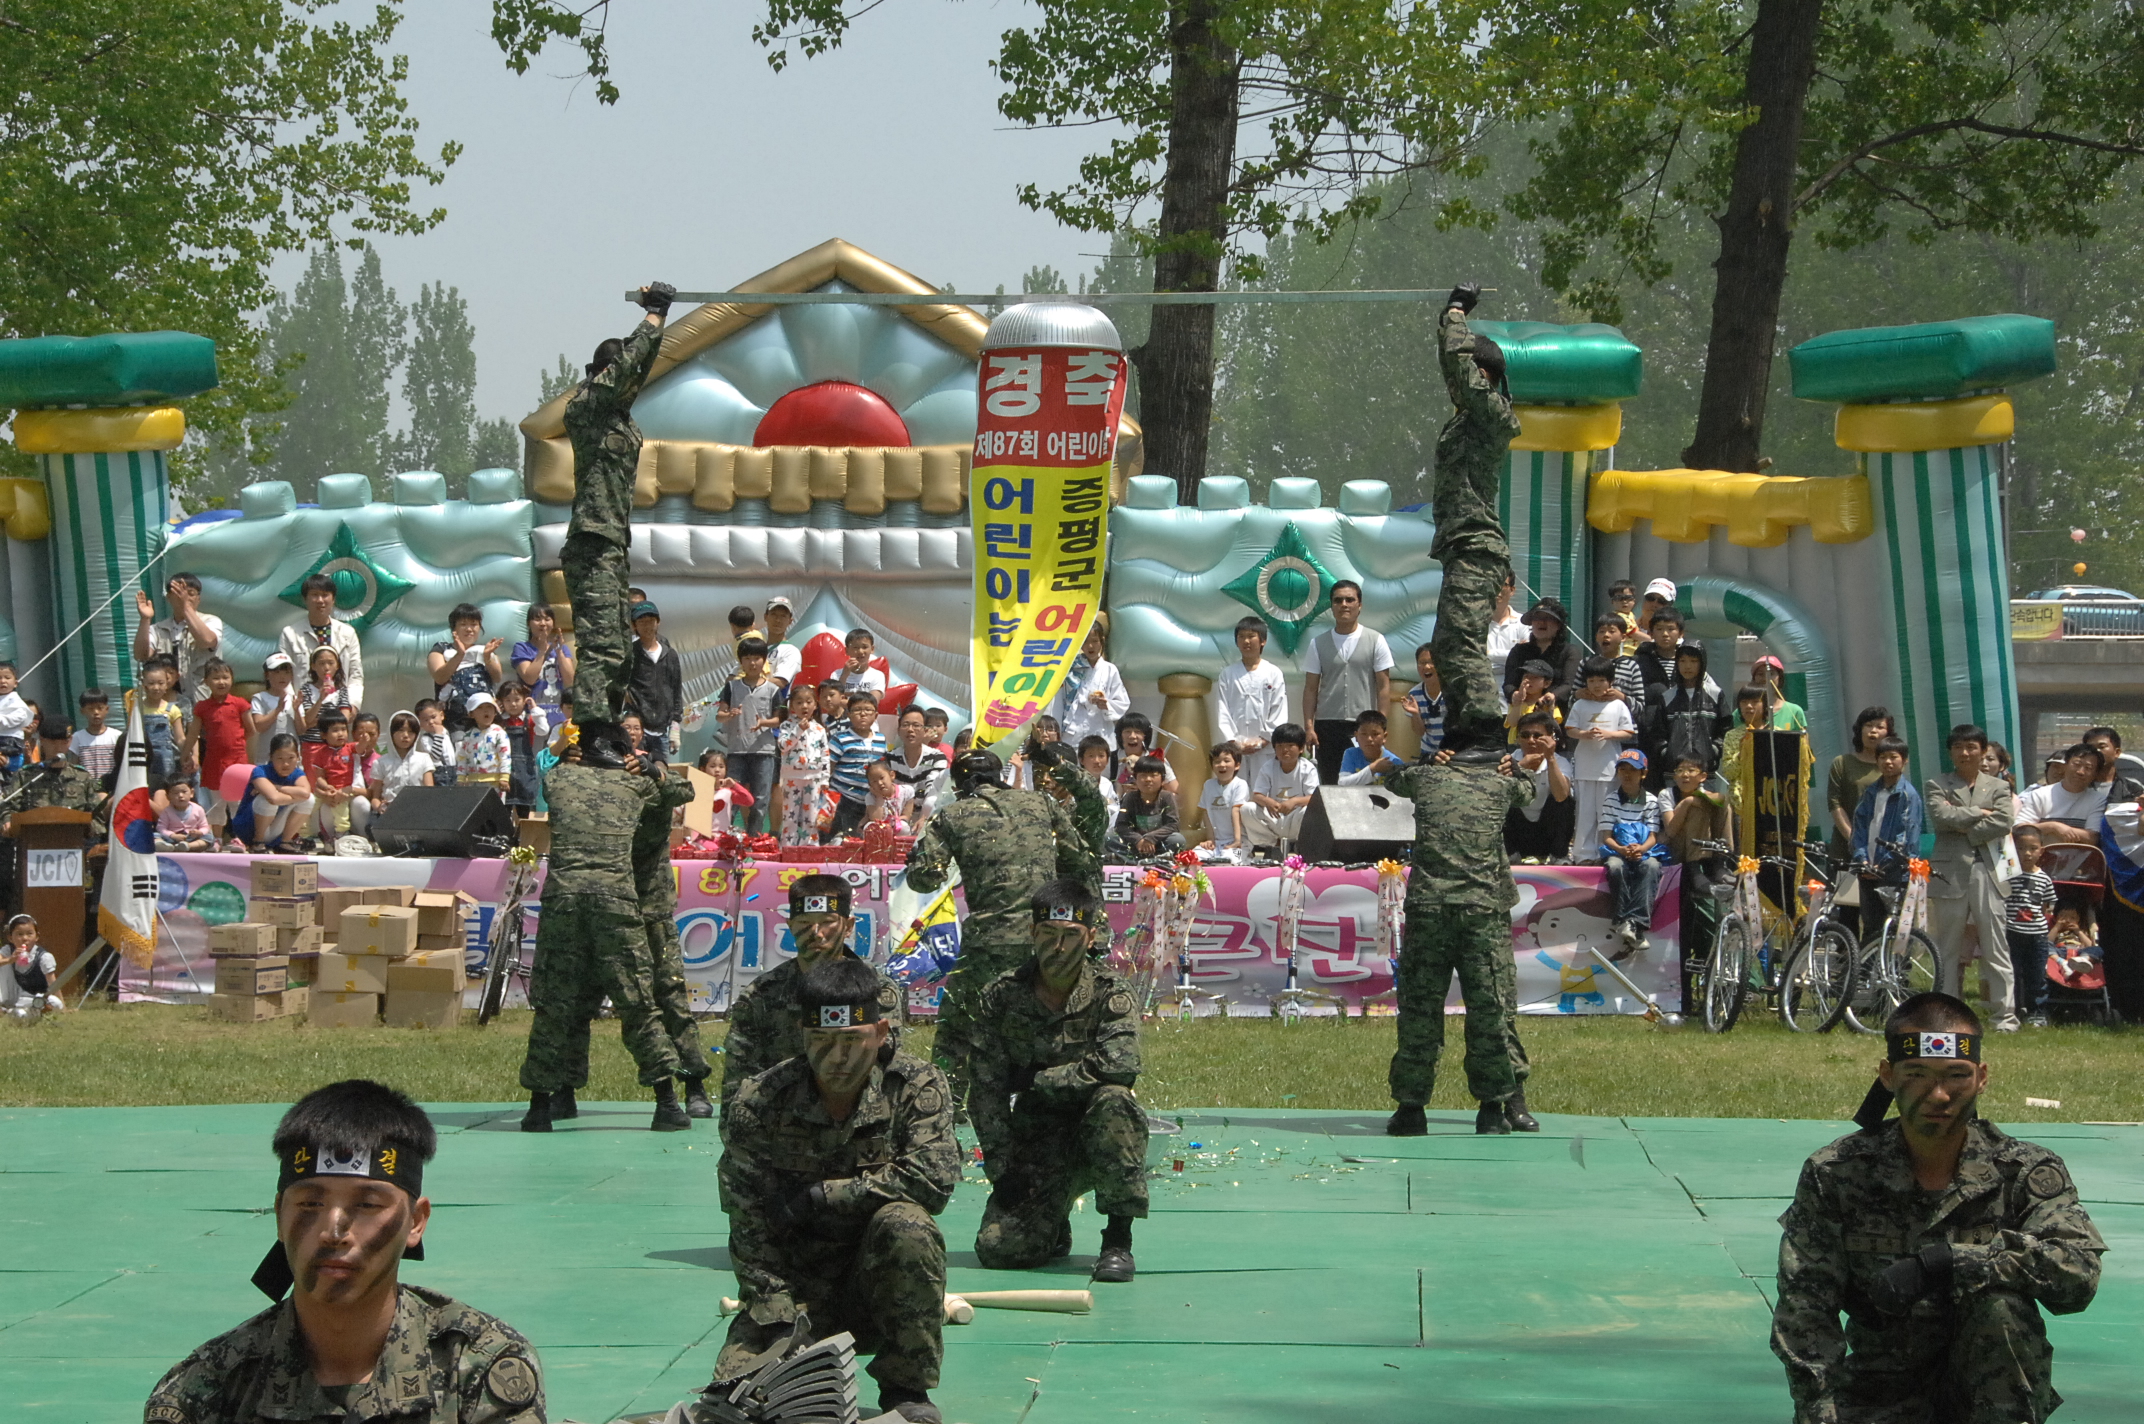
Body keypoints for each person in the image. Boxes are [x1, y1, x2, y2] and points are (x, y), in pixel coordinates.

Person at [1771, 993, 2103, 1422]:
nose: (1940, 1094)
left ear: (1982, 1078)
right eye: (1918, 1074)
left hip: (1992, 1394)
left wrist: (1950, 1262)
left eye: (1957, 1075)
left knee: (1999, 1306)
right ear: (1887, 1075)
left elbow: (2078, 1275)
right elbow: (1804, 1306)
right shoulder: (1837, 1173)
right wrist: (1818, 1409)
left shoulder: (2024, 1171)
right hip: (1880, 1388)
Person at [145, 1079, 545, 1424]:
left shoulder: (476, 1364)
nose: (334, 1231)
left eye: (367, 1205)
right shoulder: (207, 1388)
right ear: (279, 1215)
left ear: (416, 1222)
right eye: (310, 1205)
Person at [1387, 281, 1535, 1141]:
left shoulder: (1488, 414)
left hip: (1477, 547)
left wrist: (1454, 318)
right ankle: (1469, 1097)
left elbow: (1458, 370)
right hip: (1468, 543)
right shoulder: (1478, 426)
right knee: (1455, 648)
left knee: (1459, 649)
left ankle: (1478, 724)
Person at [714, 957, 956, 1424]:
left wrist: (824, 1195)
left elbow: (932, 1180)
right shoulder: (761, 1100)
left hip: (882, 1284)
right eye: (821, 1042)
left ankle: (906, 1386)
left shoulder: (915, 1086)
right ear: (801, 1037)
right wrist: (780, 1318)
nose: (837, 1058)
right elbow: (747, 1222)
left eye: (852, 1041)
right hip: (795, 1290)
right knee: (737, 1403)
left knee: (908, 1225)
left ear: (881, 1032)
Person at [969, 879, 1146, 1283]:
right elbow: (984, 1090)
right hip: (1039, 1138)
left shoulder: (1109, 993)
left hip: (1099, 1131)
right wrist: (1002, 1169)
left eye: (1071, 936)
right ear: (1032, 934)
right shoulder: (1002, 996)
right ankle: (1054, 1219)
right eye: (1048, 935)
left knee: (1116, 1100)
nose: (1059, 948)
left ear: (1091, 937)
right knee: (999, 1250)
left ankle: (1117, 1239)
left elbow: (1120, 1067)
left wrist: (1036, 1079)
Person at [518, 731, 693, 1133]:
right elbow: (684, 793)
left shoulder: (560, 778)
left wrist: (568, 757)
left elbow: (546, 767)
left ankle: (539, 1106)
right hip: (616, 901)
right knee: (637, 1001)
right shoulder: (634, 784)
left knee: (555, 1003)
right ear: (622, 756)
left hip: (564, 901)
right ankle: (666, 1102)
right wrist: (652, 769)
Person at [903, 748, 1095, 1097]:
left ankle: (945, 1105)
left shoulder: (952, 815)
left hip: (989, 939)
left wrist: (914, 860)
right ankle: (1062, 1095)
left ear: (961, 786)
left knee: (957, 1033)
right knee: (1052, 1023)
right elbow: (1081, 857)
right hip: (1048, 936)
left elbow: (925, 880)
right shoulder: (1042, 803)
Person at [560, 283, 672, 741]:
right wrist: (653, 317)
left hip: (611, 542)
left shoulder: (621, 418)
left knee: (618, 649)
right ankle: (592, 734)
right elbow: (628, 366)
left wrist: (658, 326)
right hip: (592, 539)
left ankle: (602, 725)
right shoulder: (586, 407)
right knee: (603, 646)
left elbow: (637, 369)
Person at [717, 874, 906, 1121]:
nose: (816, 933)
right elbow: (738, 1083)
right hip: (784, 1126)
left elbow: (890, 1070)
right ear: (790, 925)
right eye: (805, 921)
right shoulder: (761, 995)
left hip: (862, 1122)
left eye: (827, 922)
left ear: (848, 926)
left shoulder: (878, 990)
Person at [631, 757, 715, 1120]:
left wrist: (654, 770)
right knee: (575, 1003)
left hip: (651, 908)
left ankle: (694, 1082)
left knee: (671, 999)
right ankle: (561, 1091)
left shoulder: (657, 785)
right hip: (605, 910)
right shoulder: (602, 785)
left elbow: (688, 791)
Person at [1926, 723, 2018, 1032]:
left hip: (1989, 870)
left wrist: (1965, 822)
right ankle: (1945, 1015)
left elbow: (2004, 821)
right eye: (1958, 747)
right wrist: (1981, 813)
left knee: (1996, 947)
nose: (1965, 753)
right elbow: (1941, 818)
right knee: (1947, 948)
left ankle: (2004, 1016)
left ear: (1982, 751)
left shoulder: (1999, 786)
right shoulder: (1937, 783)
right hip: (1949, 872)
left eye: (1971, 747)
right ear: (1951, 752)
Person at [1300, 580, 1394, 786]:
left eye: (1350, 600)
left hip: (1363, 725)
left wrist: (1380, 722)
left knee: (1366, 780)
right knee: (1331, 781)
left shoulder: (1376, 640)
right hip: (1327, 725)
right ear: (1331, 606)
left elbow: (1384, 686)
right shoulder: (1317, 643)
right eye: (1338, 600)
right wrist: (1309, 726)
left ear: (1359, 605)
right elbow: (1310, 688)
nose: (1344, 604)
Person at [1662, 752, 1734, 1008]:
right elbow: (1670, 831)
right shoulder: (1666, 795)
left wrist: (1698, 799)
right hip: (1676, 852)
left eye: (1690, 770)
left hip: (1706, 849)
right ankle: (1697, 868)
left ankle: (1721, 861)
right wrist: (1687, 803)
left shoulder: (1706, 795)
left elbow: (1723, 798)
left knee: (1721, 803)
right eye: (1680, 770)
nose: (1684, 775)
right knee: (1696, 806)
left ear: (1703, 776)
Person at [1564, 657, 1637, 862]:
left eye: (1601, 680)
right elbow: (1570, 730)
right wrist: (1584, 734)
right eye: (1592, 681)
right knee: (1584, 812)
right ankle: (1583, 854)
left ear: (1610, 682)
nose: (1596, 685)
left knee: (1605, 812)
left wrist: (1608, 734)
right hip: (1585, 767)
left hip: (1609, 766)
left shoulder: (1618, 705)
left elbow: (1628, 732)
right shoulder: (1580, 703)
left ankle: (1605, 852)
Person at [1598, 749, 1664, 959]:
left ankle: (1635, 922)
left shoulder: (1652, 801)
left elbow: (1654, 835)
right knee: (1616, 867)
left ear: (1643, 774)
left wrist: (1641, 850)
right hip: (1617, 849)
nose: (1627, 774)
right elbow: (1606, 836)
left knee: (1651, 866)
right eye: (1623, 769)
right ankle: (1624, 921)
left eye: (1633, 770)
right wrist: (1622, 850)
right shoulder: (1610, 800)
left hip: (1643, 850)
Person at [1850, 735, 1925, 914]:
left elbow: (1906, 838)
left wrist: (1882, 866)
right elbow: (1859, 828)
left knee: (1897, 928)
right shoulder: (1870, 791)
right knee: (1870, 927)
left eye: (1893, 757)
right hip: (1867, 870)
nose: (1888, 762)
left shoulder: (1908, 795)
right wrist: (1863, 860)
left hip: (1895, 873)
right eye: (1883, 757)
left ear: (1904, 761)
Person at [1641, 638, 1727, 791]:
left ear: (1702, 663)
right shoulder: (1667, 697)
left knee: (1703, 812)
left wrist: (1712, 751)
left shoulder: (1715, 694)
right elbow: (1657, 734)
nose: (1688, 666)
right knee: (1675, 813)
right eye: (1682, 661)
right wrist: (1668, 754)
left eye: (1693, 661)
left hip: (1705, 773)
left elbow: (1725, 729)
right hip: (1674, 773)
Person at [717, 636, 783, 836]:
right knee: (731, 794)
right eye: (747, 658)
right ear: (740, 661)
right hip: (736, 750)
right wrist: (729, 715)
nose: (752, 663)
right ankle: (724, 836)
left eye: (757, 658)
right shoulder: (731, 687)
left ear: (764, 661)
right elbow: (719, 715)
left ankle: (754, 837)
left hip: (764, 751)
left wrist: (763, 722)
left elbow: (779, 719)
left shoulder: (773, 689)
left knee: (761, 797)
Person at [277, 573, 367, 711]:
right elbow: (284, 676)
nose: (320, 600)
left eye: (325, 595)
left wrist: (352, 706)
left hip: (339, 713)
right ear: (305, 599)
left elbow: (356, 674)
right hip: (304, 713)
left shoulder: (347, 633)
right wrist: (296, 710)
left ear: (333, 599)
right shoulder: (290, 634)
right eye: (314, 595)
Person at [135, 571, 227, 705]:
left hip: (203, 701)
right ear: (169, 598)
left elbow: (207, 641)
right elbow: (141, 655)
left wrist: (185, 608)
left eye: (191, 594)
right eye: (179, 593)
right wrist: (145, 619)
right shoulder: (157, 629)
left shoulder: (210, 621)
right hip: (164, 703)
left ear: (198, 599)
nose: (186, 598)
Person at [1217, 615, 1289, 778]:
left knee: (1263, 790)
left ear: (1262, 640)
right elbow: (1223, 710)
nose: (1246, 641)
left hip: (1266, 748)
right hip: (1235, 749)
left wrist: (1263, 740)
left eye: (1251, 636)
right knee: (1236, 793)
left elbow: (1278, 709)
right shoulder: (1228, 674)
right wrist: (1234, 741)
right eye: (1241, 637)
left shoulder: (1273, 673)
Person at [1825, 707, 1896, 871]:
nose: (1873, 731)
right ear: (1860, 730)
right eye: (1869, 725)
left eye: (1880, 727)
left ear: (1888, 734)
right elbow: (1834, 802)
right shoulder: (1842, 762)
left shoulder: (1890, 766)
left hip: (1882, 850)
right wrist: (1854, 839)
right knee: (1844, 896)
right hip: (1845, 848)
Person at [187, 659, 250, 831]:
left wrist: (244, 752)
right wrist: (186, 754)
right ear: (206, 682)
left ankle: (240, 838)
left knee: (237, 801)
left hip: (237, 761)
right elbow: (193, 733)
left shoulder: (239, 704)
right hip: (214, 762)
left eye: (225, 677)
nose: (221, 682)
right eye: (215, 678)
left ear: (232, 679)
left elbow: (251, 730)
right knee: (217, 803)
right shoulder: (202, 707)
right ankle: (216, 840)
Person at [1505, 710, 1575, 863]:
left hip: (1546, 831)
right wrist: (1520, 767)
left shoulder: (1560, 761)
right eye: (1525, 735)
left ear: (1550, 738)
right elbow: (1497, 794)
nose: (1531, 741)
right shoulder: (1507, 760)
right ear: (1518, 739)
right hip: (1518, 831)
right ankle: (1510, 855)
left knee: (1566, 801)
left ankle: (1559, 856)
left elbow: (1561, 796)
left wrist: (1550, 759)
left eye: (1537, 736)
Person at [2005, 827, 2058, 1028]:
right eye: (2021, 848)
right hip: (2012, 932)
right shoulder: (2009, 875)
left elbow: (2048, 906)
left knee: (2037, 975)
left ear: (2041, 851)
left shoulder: (2044, 878)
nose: (2027, 853)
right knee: (2014, 973)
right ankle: (2016, 1009)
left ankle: (2037, 1012)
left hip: (2037, 935)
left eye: (2032, 848)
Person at [1051, 619, 1130, 753]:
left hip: (1100, 731)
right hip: (1073, 733)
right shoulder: (1070, 669)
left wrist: (1106, 705)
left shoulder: (1110, 669)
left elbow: (1122, 702)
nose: (1090, 646)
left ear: (1102, 641)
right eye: (1086, 642)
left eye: (1094, 641)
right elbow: (1059, 702)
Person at [228, 735, 314, 854]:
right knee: (266, 800)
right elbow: (274, 798)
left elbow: (305, 793)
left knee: (309, 800)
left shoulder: (297, 773)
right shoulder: (260, 771)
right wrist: (294, 796)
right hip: (248, 828)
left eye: (291, 758)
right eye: (280, 758)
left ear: (298, 757)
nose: (286, 764)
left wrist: (276, 787)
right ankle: (258, 842)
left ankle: (285, 842)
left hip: (274, 829)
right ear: (271, 757)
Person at [774, 679, 833, 847]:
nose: (804, 706)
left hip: (813, 777)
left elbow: (824, 754)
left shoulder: (820, 729)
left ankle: (810, 845)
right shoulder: (787, 725)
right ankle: (788, 845)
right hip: (791, 775)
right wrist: (798, 730)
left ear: (815, 705)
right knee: (790, 813)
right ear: (792, 705)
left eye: (809, 702)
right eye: (799, 703)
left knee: (812, 815)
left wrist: (825, 778)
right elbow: (783, 746)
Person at [2016, 743, 2110, 845]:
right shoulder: (2039, 795)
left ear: (2095, 774)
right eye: (2077, 764)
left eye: (2088, 768)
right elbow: (2019, 829)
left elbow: (2092, 837)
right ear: (2065, 765)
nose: (2080, 771)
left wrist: (2063, 831)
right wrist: (2052, 827)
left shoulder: (2098, 800)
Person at [1245, 722, 1318, 852]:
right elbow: (1256, 795)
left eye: (1290, 745)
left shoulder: (1307, 768)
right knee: (1247, 809)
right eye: (1280, 746)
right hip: (1275, 816)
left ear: (1301, 748)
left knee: (1309, 810)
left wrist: (1294, 802)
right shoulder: (1268, 767)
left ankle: (1299, 843)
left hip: (1295, 816)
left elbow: (1315, 797)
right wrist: (1268, 802)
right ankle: (1273, 843)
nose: (1285, 750)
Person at [1499, 598, 1582, 711]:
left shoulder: (1570, 651)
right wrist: (1514, 694)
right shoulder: (1519, 650)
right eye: (1537, 618)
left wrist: (1552, 696)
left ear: (1558, 625)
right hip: (1522, 714)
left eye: (1548, 618)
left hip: (1557, 714)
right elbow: (1509, 683)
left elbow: (1569, 684)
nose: (1541, 622)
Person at [429, 603, 503, 728]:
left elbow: (497, 677)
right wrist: (460, 654)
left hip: (484, 719)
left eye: (474, 624)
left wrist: (487, 658)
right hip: (454, 719)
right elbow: (440, 677)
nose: (469, 629)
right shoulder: (441, 649)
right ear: (454, 628)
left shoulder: (485, 649)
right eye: (463, 624)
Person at [626, 601, 683, 757]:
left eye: (651, 621)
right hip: (638, 727)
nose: (647, 626)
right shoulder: (630, 654)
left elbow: (676, 689)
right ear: (634, 625)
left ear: (658, 623)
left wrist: (675, 725)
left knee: (661, 770)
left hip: (663, 728)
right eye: (642, 622)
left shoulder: (670, 655)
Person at [826, 692, 886, 840]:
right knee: (837, 839)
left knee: (858, 841)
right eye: (857, 710)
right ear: (849, 714)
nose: (863, 714)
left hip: (868, 801)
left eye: (868, 710)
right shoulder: (840, 738)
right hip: (842, 800)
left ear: (876, 715)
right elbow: (828, 768)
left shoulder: (881, 739)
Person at [303, 714, 368, 843]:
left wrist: (364, 741)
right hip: (327, 790)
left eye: (344, 729)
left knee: (340, 812)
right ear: (323, 735)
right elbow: (319, 777)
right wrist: (326, 787)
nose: (341, 734)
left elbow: (360, 748)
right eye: (335, 730)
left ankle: (341, 833)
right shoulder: (321, 753)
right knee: (308, 806)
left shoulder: (349, 748)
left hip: (343, 791)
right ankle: (305, 834)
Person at [511, 603, 576, 729]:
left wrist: (558, 652)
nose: (543, 623)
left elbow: (570, 681)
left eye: (547, 619)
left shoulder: (562, 649)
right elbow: (529, 678)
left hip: (561, 718)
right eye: (537, 619)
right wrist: (542, 651)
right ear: (528, 623)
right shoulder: (522, 648)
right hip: (534, 717)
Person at [1111, 755, 1183, 858]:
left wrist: (1151, 838)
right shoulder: (1130, 797)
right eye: (1143, 775)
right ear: (1135, 779)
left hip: (1159, 843)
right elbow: (1121, 825)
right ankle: (1136, 859)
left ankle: (1158, 859)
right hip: (1135, 844)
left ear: (1162, 780)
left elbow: (1173, 824)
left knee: (1177, 840)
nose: (1148, 779)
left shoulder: (1167, 797)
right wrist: (1138, 840)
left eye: (1153, 775)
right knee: (1109, 838)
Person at [888, 707, 947, 831]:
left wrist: (924, 818)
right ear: (898, 730)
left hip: (926, 818)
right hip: (896, 819)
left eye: (916, 725)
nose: (910, 730)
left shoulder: (937, 758)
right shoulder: (890, 758)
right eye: (905, 725)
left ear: (925, 730)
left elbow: (934, 790)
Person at [494, 682, 549, 816]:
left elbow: (543, 730)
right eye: (507, 700)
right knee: (503, 809)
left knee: (524, 809)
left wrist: (535, 710)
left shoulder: (529, 719)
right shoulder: (499, 721)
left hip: (525, 771)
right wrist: (495, 710)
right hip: (504, 771)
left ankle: (523, 836)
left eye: (517, 700)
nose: (513, 704)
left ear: (525, 700)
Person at [136, 656, 188, 791]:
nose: (156, 687)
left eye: (160, 683)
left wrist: (187, 753)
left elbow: (180, 738)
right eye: (151, 683)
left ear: (166, 684)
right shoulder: (137, 708)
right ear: (144, 685)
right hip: (144, 760)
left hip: (166, 761)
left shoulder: (172, 710)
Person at [372, 712, 435, 814]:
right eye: (401, 730)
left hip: (418, 810)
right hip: (390, 810)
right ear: (391, 733)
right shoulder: (380, 763)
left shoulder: (424, 759)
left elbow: (430, 792)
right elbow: (375, 797)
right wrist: (379, 807)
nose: (406, 736)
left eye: (411, 732)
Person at [1198, 742, 1250, 860]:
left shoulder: (1240, 784)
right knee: (1193, 858)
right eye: (1217, 761)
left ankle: (1246, 857)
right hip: (1216, 843)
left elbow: (1236, 811)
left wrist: (1237, 841)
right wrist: (1210, 839)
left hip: (1239, 842)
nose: (1222, 765)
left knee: (1228, 861)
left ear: (1237, 765)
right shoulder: (1208, 785)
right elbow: (1206, 812)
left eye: (1226, 761)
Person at [3, 913, 59, 1017]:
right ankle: (9, 1008)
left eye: (29, 934)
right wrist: (10, 960)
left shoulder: (43, 957)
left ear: (36, 936)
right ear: (11, 938)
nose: (25, 938)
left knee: (54, 1002)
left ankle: (16, 1012)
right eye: (19, 934)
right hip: (15, 996)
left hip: (37, 997)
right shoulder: (8, 951)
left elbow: (53, 984)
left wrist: (63, 1008)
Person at [454, 693, 511, 794]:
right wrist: (461, 777)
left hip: (494, 781)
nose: (486, 710)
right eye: (480, 708)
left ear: (495, 712)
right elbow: (462, 757)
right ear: (471, 714)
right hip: (472, 781)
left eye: (489, 707)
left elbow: (504, 756)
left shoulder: (499, 733)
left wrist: (504, 777)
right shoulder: (468, 736)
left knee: (493, 808)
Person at [247, 654, 300, 760]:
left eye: (287, 672)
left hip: (291, 760)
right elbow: (259, 726)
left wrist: (297, 710)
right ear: (267, 675)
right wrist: (277, 710)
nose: (282, 677)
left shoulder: (294, 698)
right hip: (267, 758)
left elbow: (301, 730)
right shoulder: (259, 698)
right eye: (277, 672)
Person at [1590, 612, 1646, 705]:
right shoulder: (1586, 663)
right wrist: (1580, 694)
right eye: (1602, 631)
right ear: (1596, 637)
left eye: (1611, 631)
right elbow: (1572, 700)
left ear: (1623, 637)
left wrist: (1622, 698)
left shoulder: (1631, 666)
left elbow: (1640, 706)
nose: (1606, 635)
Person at [1403, 642, 1446, 761]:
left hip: (1451, 751)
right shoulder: (1414, 694)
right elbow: (1420, 732)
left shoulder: (1451, 690)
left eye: (1431, 662)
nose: (1427, 667)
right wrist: (1415, 714)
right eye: (1422, 663)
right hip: (1429, 752)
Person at [1338, 710, 1405, 786]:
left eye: (1375, 734)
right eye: (1364, 734)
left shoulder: (1393, 762)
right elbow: (1342, 783)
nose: (1369, 739)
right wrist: (1372, 769)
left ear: (1384, 737)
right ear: (1356, 736)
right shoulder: (1351, 754)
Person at [70, 687, 120, 779]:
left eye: (100, 708)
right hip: (86, 786)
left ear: (107, 709)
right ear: (82, 711)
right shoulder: (77, 737)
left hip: (111, 786)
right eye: (91, 709)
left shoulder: (116, 736)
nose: (96, 712)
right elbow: (74, 765)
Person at [1752, 654, 1808, 731]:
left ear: (1780, 678)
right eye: (1760, 674)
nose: (1766, 678)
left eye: (1771, 674)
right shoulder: (1744, 711)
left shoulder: (1795, 711)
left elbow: (1802, 741)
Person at [1485, 568, 1527, 669]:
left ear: (1512, 590)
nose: (1497, 589)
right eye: (1493, 583)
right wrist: (1513, 653)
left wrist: (1488, 653)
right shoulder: (1475, 623)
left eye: (1502, 584)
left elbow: (1526, 656)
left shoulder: (1523, 623)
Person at [837, 627, 889, 702]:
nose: (860, 651)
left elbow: (873, 702)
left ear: (872, 649)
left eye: (864, 647)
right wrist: (844, 675)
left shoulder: (877, 676)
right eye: (855, 647)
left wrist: (846, 701)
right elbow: (835, 701)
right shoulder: (836, 674)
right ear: (847, 650)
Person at [761, 595, 803, 686]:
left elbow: (779, 682)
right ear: (765, 617)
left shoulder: (791, 652)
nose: (778, 620)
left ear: (790, 621)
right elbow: (733, 676)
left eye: (783, 616)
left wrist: (750, 684)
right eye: (774, 614)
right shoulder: (753, 648)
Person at [864, 758, 915, 833]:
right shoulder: (871, 797)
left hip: (899, 826)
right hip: (881, 830)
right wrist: (879, 798)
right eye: (874, 781)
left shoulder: (906, 791)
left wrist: (894, 823)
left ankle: (901, 844)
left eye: (882, 778)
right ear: (870, 785)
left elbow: (906, 815)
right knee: (870, 827)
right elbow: (876, 819)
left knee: (904, 826)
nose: (880, 783)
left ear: (892, 775)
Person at [0, 661, 29, 774]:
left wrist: (2, 719)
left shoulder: (15, 700)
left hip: (10, 740)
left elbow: (20, 716)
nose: (3, 681)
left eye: (7, 678)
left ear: (15, 683)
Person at [1605, 578, 1640, 652]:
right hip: (1624, 653)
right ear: (1612, 601)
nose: (1624, 601)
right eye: (1619, 598)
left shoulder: (1630, 614)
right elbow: (1635, 634)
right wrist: (1652, 639)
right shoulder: (1618, 617)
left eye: (1628, 598)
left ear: (1634, 600)